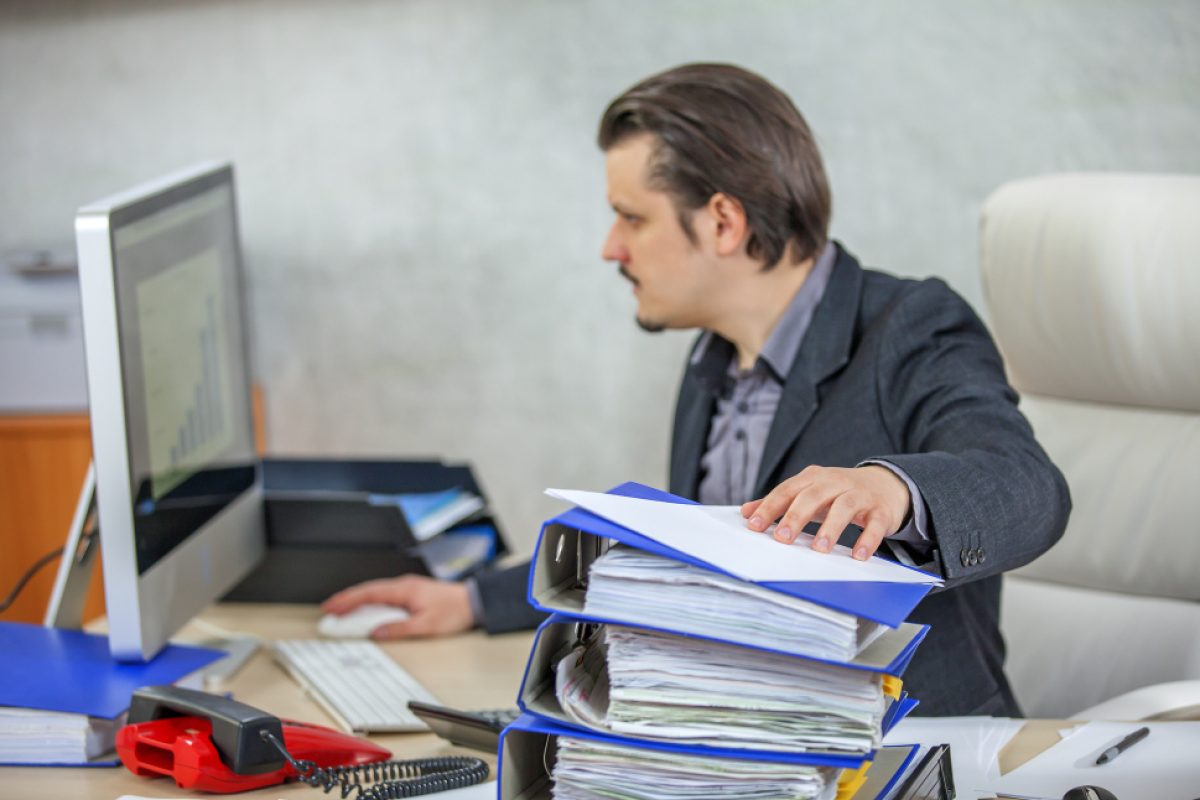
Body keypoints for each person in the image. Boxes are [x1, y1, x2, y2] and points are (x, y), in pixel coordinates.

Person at [323, 63, 1070, 716]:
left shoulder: (911, 326)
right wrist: (472, 601)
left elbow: (1025, 484)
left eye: (630, 217)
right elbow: (695, 544)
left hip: (907, 745)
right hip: (748, 740)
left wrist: (893, 488)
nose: (610, 248)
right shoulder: (713, 359)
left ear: (721, 221)